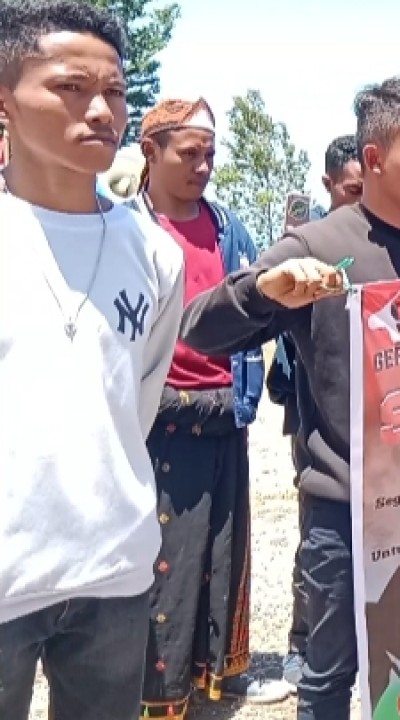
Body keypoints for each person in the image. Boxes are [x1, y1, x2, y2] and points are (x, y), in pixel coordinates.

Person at [178, 74, 400, 720]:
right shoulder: (319, 247)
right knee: (330, 674)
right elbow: (200, 329)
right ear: (373, 159)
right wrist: (265, 291)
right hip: (344, 511)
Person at [0, 3, 185, 718]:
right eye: (70, 88)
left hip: (113, 571)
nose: (101, 110)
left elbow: (135, 402)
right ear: (5, 101)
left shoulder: (153, 252)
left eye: (114, 91)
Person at [129, 97, 285, 715]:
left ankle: (213, 675)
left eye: (210, 154)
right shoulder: (129, 230)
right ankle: (157, 691)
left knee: (223, 551)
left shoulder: (230, 230)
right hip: (159, 419)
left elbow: (247, 320)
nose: (202, 166)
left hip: (225, 410)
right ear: (151, 151)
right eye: (188, 153)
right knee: (166, 560)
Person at [265, 132, 364, 692]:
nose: (359, 199)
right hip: (313, 424)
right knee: (318, 543)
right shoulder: (307, 250)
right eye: (351, 190)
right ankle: (304, 643)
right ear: (329, 185)